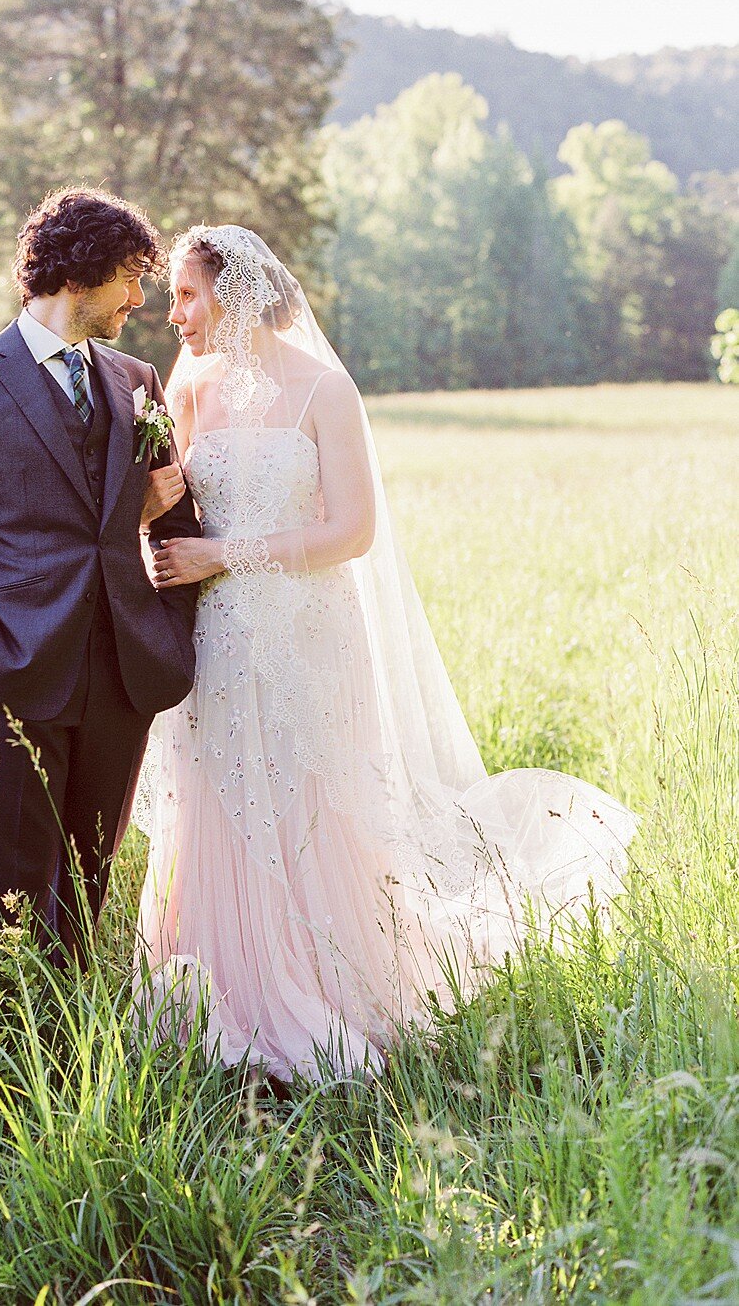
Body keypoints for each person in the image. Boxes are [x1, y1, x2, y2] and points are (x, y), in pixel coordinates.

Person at [134, 224, 637, 1081]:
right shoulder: (186, 389)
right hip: (216, 641)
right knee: (220, 805)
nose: (172, 314)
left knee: (311, 806)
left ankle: (332, 981)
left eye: (187, 294)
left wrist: (224, 556)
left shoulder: (325, 391)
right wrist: (154, 515)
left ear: (238, 292)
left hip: (305, 639)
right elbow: (169, 515)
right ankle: (222, 984)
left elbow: (352, 532)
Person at [0, 188, 199, 967]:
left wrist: (169, 630)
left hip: (125, 670)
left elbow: (177, 525)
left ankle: (71, 1039)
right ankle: (8, 1051)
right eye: (129, 277)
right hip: (16, 663)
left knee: (90, 878)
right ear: (79, 273)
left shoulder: (137, 381)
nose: (140, 298)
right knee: (13, 888)